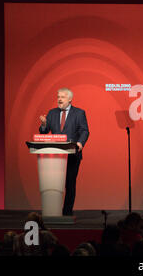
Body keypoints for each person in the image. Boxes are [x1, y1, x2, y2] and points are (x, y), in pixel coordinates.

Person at [39, 88, 89, 216]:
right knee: (54, 183)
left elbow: (84, 130)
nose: (59, 99)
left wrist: (80, 143)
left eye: (62, 97)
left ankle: (67, 212)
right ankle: (52, 211)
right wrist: (44, 124)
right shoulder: (52, 113)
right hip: (54, 156)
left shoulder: (79, 113)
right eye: (58, 97)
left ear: (70, 99)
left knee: (70, 183)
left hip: (73, 154)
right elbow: (44, 132)